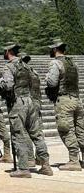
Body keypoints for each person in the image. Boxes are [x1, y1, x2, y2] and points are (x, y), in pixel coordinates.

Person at [0, 42, 52, 177]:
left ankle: (23, 168)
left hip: (18, 103)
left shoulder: (8, 67)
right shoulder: (27, 67)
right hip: (31, 101)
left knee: (18, 134)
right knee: (37, 134)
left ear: (8, 52)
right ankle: (45, 165)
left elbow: (9, 85)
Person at [45, 38, 84, 171]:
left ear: (55, 49)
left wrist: (46, 77)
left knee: (66, 129)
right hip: (77, 100)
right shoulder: (73, 63)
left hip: (65, 101)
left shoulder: (55, 63)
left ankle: (73, 161)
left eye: (51, 48)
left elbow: (52, 83)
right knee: (80, 130)